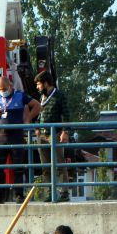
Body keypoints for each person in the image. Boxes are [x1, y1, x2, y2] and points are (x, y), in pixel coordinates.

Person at [0, 75, 40, 204]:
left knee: (18, 167)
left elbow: (37, 106)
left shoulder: (20, 95)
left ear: (10, 86)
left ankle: (19, 195)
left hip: (16, 135)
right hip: (0, 136)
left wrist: (27, 120)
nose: (2, 91)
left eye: (4, 88)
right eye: (0, 89)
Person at [33, 71, 70, 203]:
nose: (37, 87)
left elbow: (66, 115)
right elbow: (39, 115)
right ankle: (49, 192)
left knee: (59, 164)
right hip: (42, 135)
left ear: (46, 83)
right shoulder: (42, 97)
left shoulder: (59, 95)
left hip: (55, 133)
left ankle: (64, 192)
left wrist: (65, 131)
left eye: (38, 84)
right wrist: (36, 127)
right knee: (45, 166)